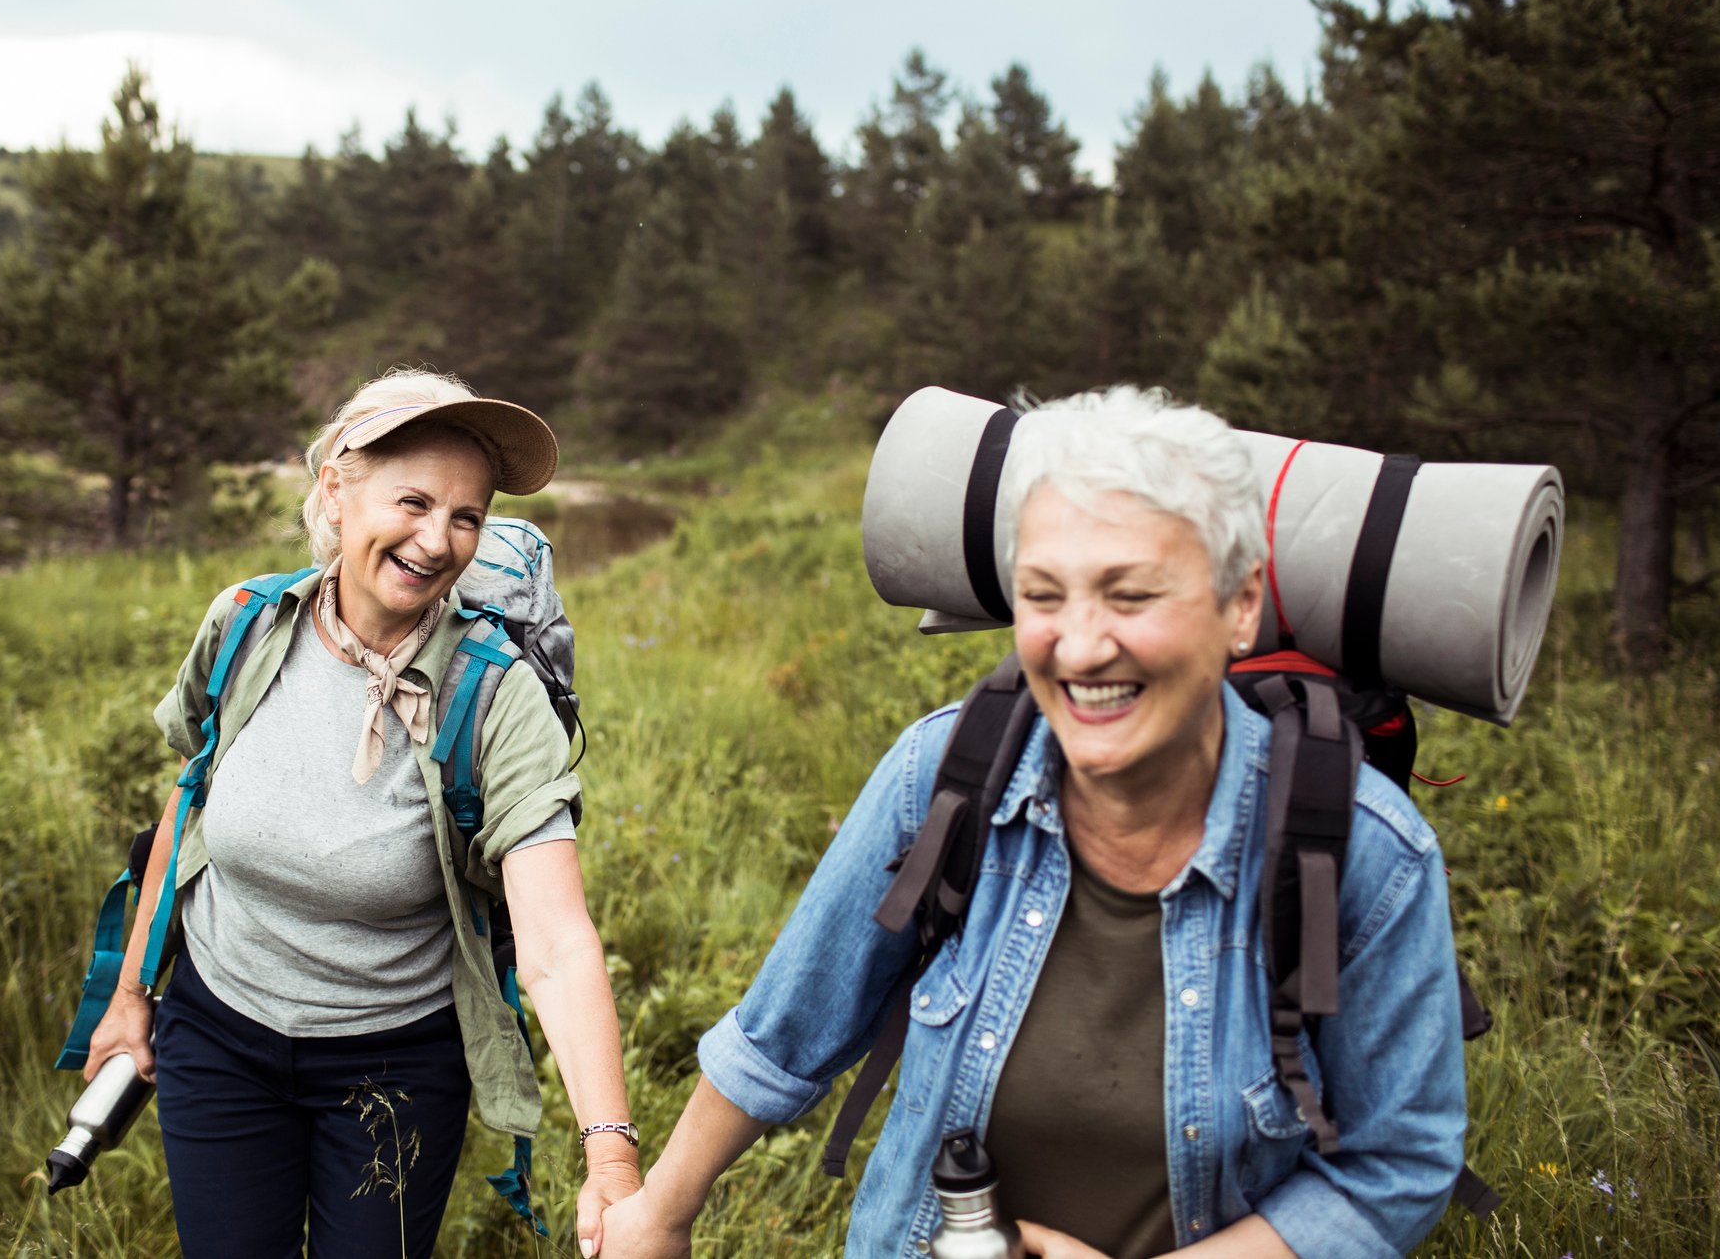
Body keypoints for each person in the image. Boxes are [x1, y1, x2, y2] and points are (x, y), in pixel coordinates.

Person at [601, 387, 1466, 1259]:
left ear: (1240, 605)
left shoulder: (1363, 853)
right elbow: (786, 1026)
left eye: (1130, 596)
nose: (1081, 646)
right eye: (1045, 596)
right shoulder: (941, 776)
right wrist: (660, 1214)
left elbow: (1394, 1164)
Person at [84, 369, 640, 1258]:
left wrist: (609, 1157)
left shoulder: (495, 696)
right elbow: (188, 805)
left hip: (394, 1069)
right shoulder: (245, 626)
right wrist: (128, 995)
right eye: (413, 501)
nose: (437, 540)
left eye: (466, 516)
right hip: (216, 1033)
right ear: (336, 490)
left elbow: (557, 943)